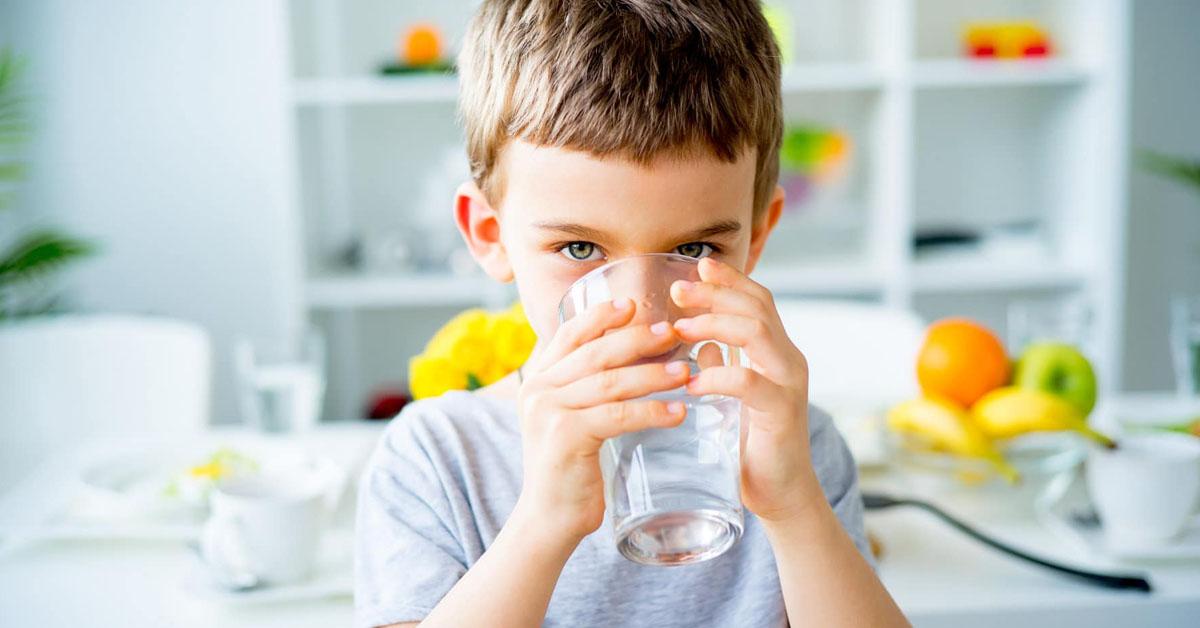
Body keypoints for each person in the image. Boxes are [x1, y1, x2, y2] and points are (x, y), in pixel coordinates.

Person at [355, 1, 909, 626]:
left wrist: (796, 506)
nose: (645, 316)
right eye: (581, 250)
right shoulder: (437, 459)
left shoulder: (797, 446)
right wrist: (543, 523)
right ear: (489, 233)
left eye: (693, 250)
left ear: (756, 235)